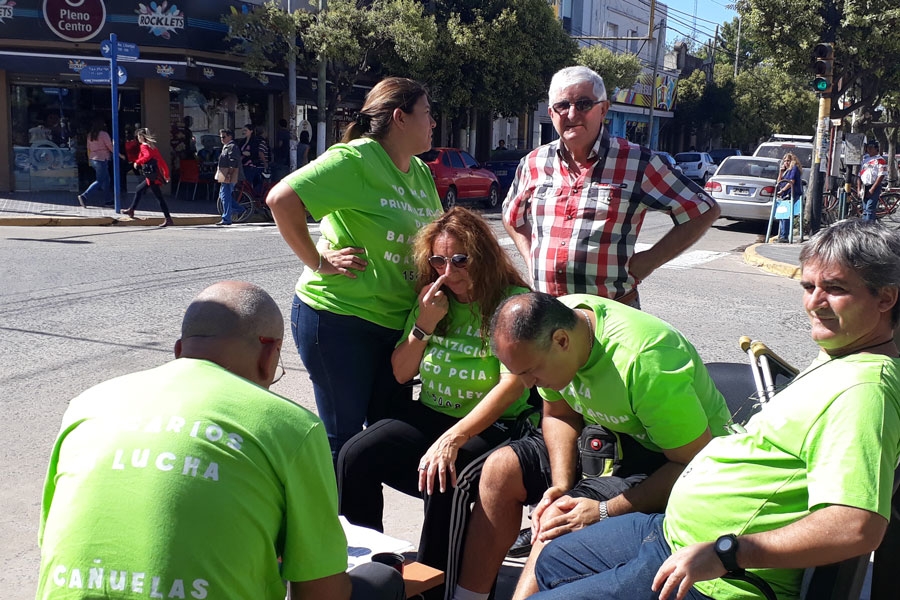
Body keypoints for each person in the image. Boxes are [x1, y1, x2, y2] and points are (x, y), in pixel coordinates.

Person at [528, 219, 900, 600]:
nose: (814, 303)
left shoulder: (864, 392)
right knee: (554, 561)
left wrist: (728, 554)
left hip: (719, 579)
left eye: (835, 289)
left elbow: (857, 526)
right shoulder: (844, 353)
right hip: (679, 535)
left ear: (885, 298)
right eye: (808, 287)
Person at [36, 280, 404, 600]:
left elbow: (51, 538)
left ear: (180, 350)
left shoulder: (87, 405)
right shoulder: (292, 425)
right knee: (382, 578)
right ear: (269, 354)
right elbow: (320, 594)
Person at [451, 291, 732, 600]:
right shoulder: (558, 327)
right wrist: (560, 484)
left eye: (530, 371)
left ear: (561, 341)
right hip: (610, 434)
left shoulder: (644, 360)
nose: (528, 384)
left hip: (675, 458)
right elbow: (558, 414)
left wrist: (602, 510)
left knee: (557, 520)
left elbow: (690, 464)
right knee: (500, 469)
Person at [337, 207, 533, 582]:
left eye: (460, 260)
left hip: (491, 424)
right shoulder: (433, 299)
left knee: (443, 475)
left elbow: (512, 385)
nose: (448, 272)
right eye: (438, 261)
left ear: (483, 256)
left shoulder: (511, 302)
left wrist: (453, 438)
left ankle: (433, 582)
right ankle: (366, 572)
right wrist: (424, 324)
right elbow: (401, 372)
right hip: (432, 414)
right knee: (355, 454)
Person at [266, 77, 443, 461]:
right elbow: (281, 199)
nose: (433, 123)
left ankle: (364, 499)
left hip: (396, 324)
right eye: (427, 113)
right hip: (339, 319)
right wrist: (318, 261)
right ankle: (338, 504)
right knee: (344, 440)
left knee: (386, 436)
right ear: (400, 118)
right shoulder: (356, 159)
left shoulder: (420, 171)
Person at [503, 66, 720, 308]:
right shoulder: (534, 162)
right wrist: (530, 256)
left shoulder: (638, 162)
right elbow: (511, 216)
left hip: (612, 312)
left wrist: (648, 262)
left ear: (603, 109)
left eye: (584, 104)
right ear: (551, 113)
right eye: (562, 105)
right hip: (548, 312)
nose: (572, 114)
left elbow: (703, 210)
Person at [122, 128, 174, 228]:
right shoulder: (152, 147)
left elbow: (147, 156)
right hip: (154, 175)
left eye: (139, 136)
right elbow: (161, 161)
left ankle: (168, 219)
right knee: (139, 189)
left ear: (142, 137)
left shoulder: (144, 146)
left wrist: (137, 162)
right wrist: (166, 174)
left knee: (159, 198)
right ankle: (131, 209)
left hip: (151, 176)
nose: (138, 138)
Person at [76, 118, 114, 208]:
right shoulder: (104, 134)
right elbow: (110, 147)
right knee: (100, 180)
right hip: (102, 159)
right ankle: (84, 196)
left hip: (93, 159)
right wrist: (119, 154)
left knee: (106, 180)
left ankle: (108, 200)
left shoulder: (90, 135)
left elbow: (88, 148)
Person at [216, 129, 243, 226]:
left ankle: (227, 218)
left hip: (229, 174)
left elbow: (233, 161)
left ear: (230, 137)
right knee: (223, 195)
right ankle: (240, 209)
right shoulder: (226, 146)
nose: (222, 139)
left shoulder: (232, 146)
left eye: (224, 137)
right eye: (221, 137)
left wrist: (229, 174)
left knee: (225, 196)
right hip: (224, 173)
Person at [774, 153, 803, 242]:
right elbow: (779, 182)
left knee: (786, 215)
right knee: (782, 214)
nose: (786, 163)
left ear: (792, 161)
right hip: (785, 195)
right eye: (785, 161)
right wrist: (781, 172)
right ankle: (782, 235)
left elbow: (791, 182)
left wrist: (782, 190)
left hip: (792, 194)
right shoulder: (786, 171)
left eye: (788, 161)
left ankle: (784, 236)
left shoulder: (794, 168)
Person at [859, 140, 887, 222]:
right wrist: (859, 188)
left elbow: (881, 175)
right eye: (868, 147)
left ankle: (869, 226)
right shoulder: (865, 159)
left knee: (870, 208)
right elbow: (859, 174)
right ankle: (864, 226)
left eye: (871, 147)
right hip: (864, 187)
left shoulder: (880, 160)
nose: (869, 149)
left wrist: (872, 189)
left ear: (876, 149)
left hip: (874, 186)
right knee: (865, 209)